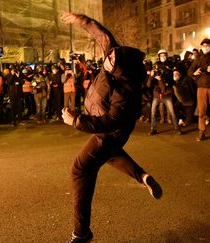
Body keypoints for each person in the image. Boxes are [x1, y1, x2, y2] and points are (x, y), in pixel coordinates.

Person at [60, 12, 163, 243]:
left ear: (120, 71)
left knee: (81, 170)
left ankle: (81, 233)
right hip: (108, 130)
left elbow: (110, 122)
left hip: (111, 131)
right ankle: (143, 176)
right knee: (108, 156)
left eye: (110, 62)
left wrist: (76, 121)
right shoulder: (119, 56)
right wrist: (80, 20)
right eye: (110, 56)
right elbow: (101, 33)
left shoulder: (126, 92)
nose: (106, 60)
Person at [188, 38, 210, 141]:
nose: (205, 47)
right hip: (201, 88)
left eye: (207, 45)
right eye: (203, 45)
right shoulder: (198, 58)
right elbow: (189, 71)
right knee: (201, 112)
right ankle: (201, 132)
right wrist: (195, 73)